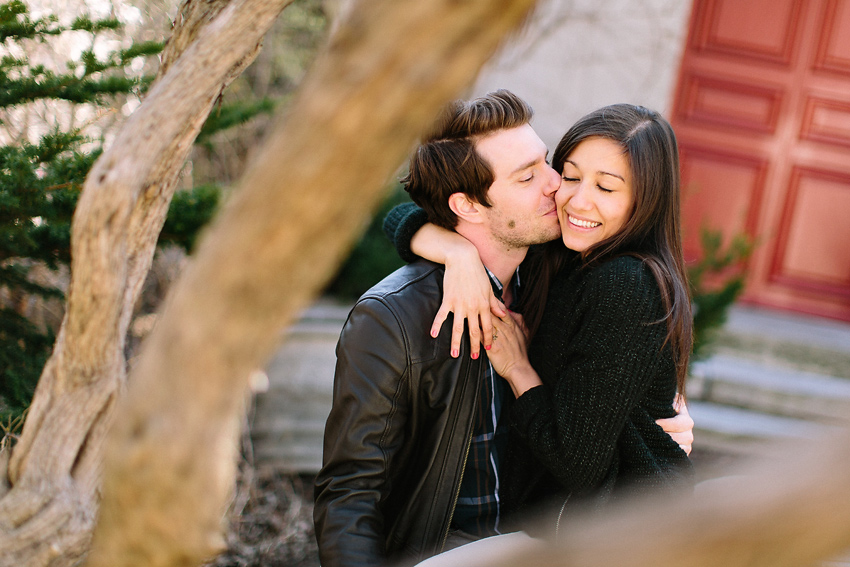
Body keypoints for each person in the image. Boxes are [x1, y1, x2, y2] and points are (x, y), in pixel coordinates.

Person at [314, 92, 693, 567]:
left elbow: (591, 419)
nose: (561, 188)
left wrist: (643, 424)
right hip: (455, 547)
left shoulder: (578, 274)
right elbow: (351, 491)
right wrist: (457, 252)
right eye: (534, 175)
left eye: (548, 165)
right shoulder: (399, 317)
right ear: (468, 205)